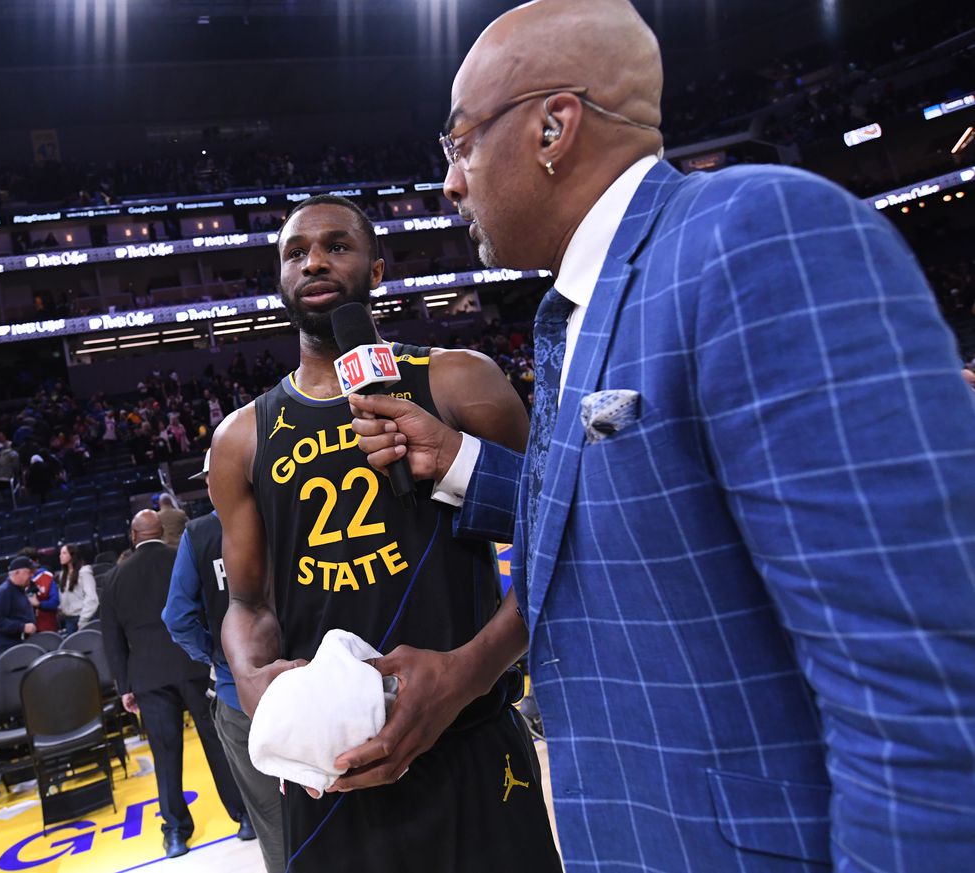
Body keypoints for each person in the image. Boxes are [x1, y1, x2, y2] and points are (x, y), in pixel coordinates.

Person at [347, 1, 975, 869]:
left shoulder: (753, 234)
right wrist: (460, 470)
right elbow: (641, 513)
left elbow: (919, 680)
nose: (451, 181)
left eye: (459, 143)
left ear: (551, 128)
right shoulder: (574, 312)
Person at [208, 194, 558, 873]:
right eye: (295, 252)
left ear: (376, 271)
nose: (313, 259)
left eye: (337, 245)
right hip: (337, 767)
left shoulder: (461, 380)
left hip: (472, 740)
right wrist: (254, 683)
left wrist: (469, 671)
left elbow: (556, 545)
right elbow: (248, 605)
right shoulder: (240, 437)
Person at [99, 510, 247, 859]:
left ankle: (177, 833)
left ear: (132, 535)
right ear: (161, 531)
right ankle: (244, 817)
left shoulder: (115, 577)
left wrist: (124, 687)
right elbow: (204, 609)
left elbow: (112, 638)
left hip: (148, 676)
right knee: (217, 744)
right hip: (193, 666)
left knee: (165, 756)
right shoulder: (180, 558)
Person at [163, 452, 281, 872]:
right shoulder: (286, 514)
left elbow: (177, 618)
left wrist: (214, 656)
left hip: (240, 693)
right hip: (307, 679)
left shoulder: (199, 534)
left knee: (272, 818)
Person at [0, 556, 38, 651]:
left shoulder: (20, 589)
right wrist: (22, 627)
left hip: (21, 644)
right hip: (10, 649)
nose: (32, 576)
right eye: (29, 572)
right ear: (16, 573)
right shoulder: (4, 591)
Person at [56, 544, 98, 635]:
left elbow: (92, 598)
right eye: (60, 553)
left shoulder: (84, 572)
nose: (60, 556)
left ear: (72, 555)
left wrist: (83, 619)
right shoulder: (62, 574)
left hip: (82, 618)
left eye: (64, 553)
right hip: (69, 619)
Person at [18, 548, 59, 632]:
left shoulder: (47, 576)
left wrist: (39, 604)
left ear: (36, 561)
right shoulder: (18, 581)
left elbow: (55, 602)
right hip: (27, 629)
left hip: (48, 627)